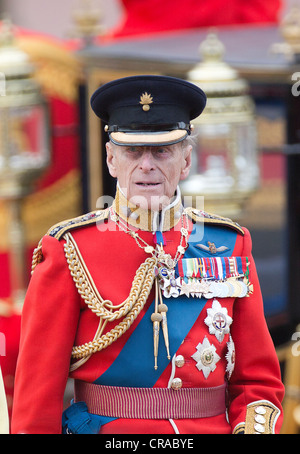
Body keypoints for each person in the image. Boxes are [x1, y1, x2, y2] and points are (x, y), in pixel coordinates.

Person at [11, 75, 284, 434]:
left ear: (186, 161)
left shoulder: (231, 243)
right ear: (111, 159)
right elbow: (38, 393)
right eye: (133, 152)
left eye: (161, 151)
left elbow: (258, 382)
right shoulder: (70, 248)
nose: (146, 165)